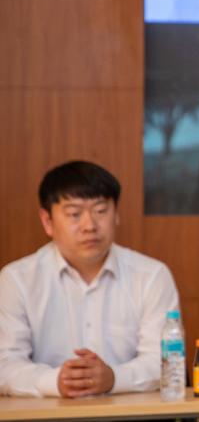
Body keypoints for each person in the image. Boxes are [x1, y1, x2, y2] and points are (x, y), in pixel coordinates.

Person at [0, 161, 180, 397]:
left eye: (101, 211)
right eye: (74, 214)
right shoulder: (17, 280)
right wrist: (56, 381)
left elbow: (165, 360)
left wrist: (114, 378)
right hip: (47, 413)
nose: (89, 226)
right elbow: (5, 364)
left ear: (116, 214)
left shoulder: (151, 276)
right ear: (47, 221)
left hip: (130, 412)